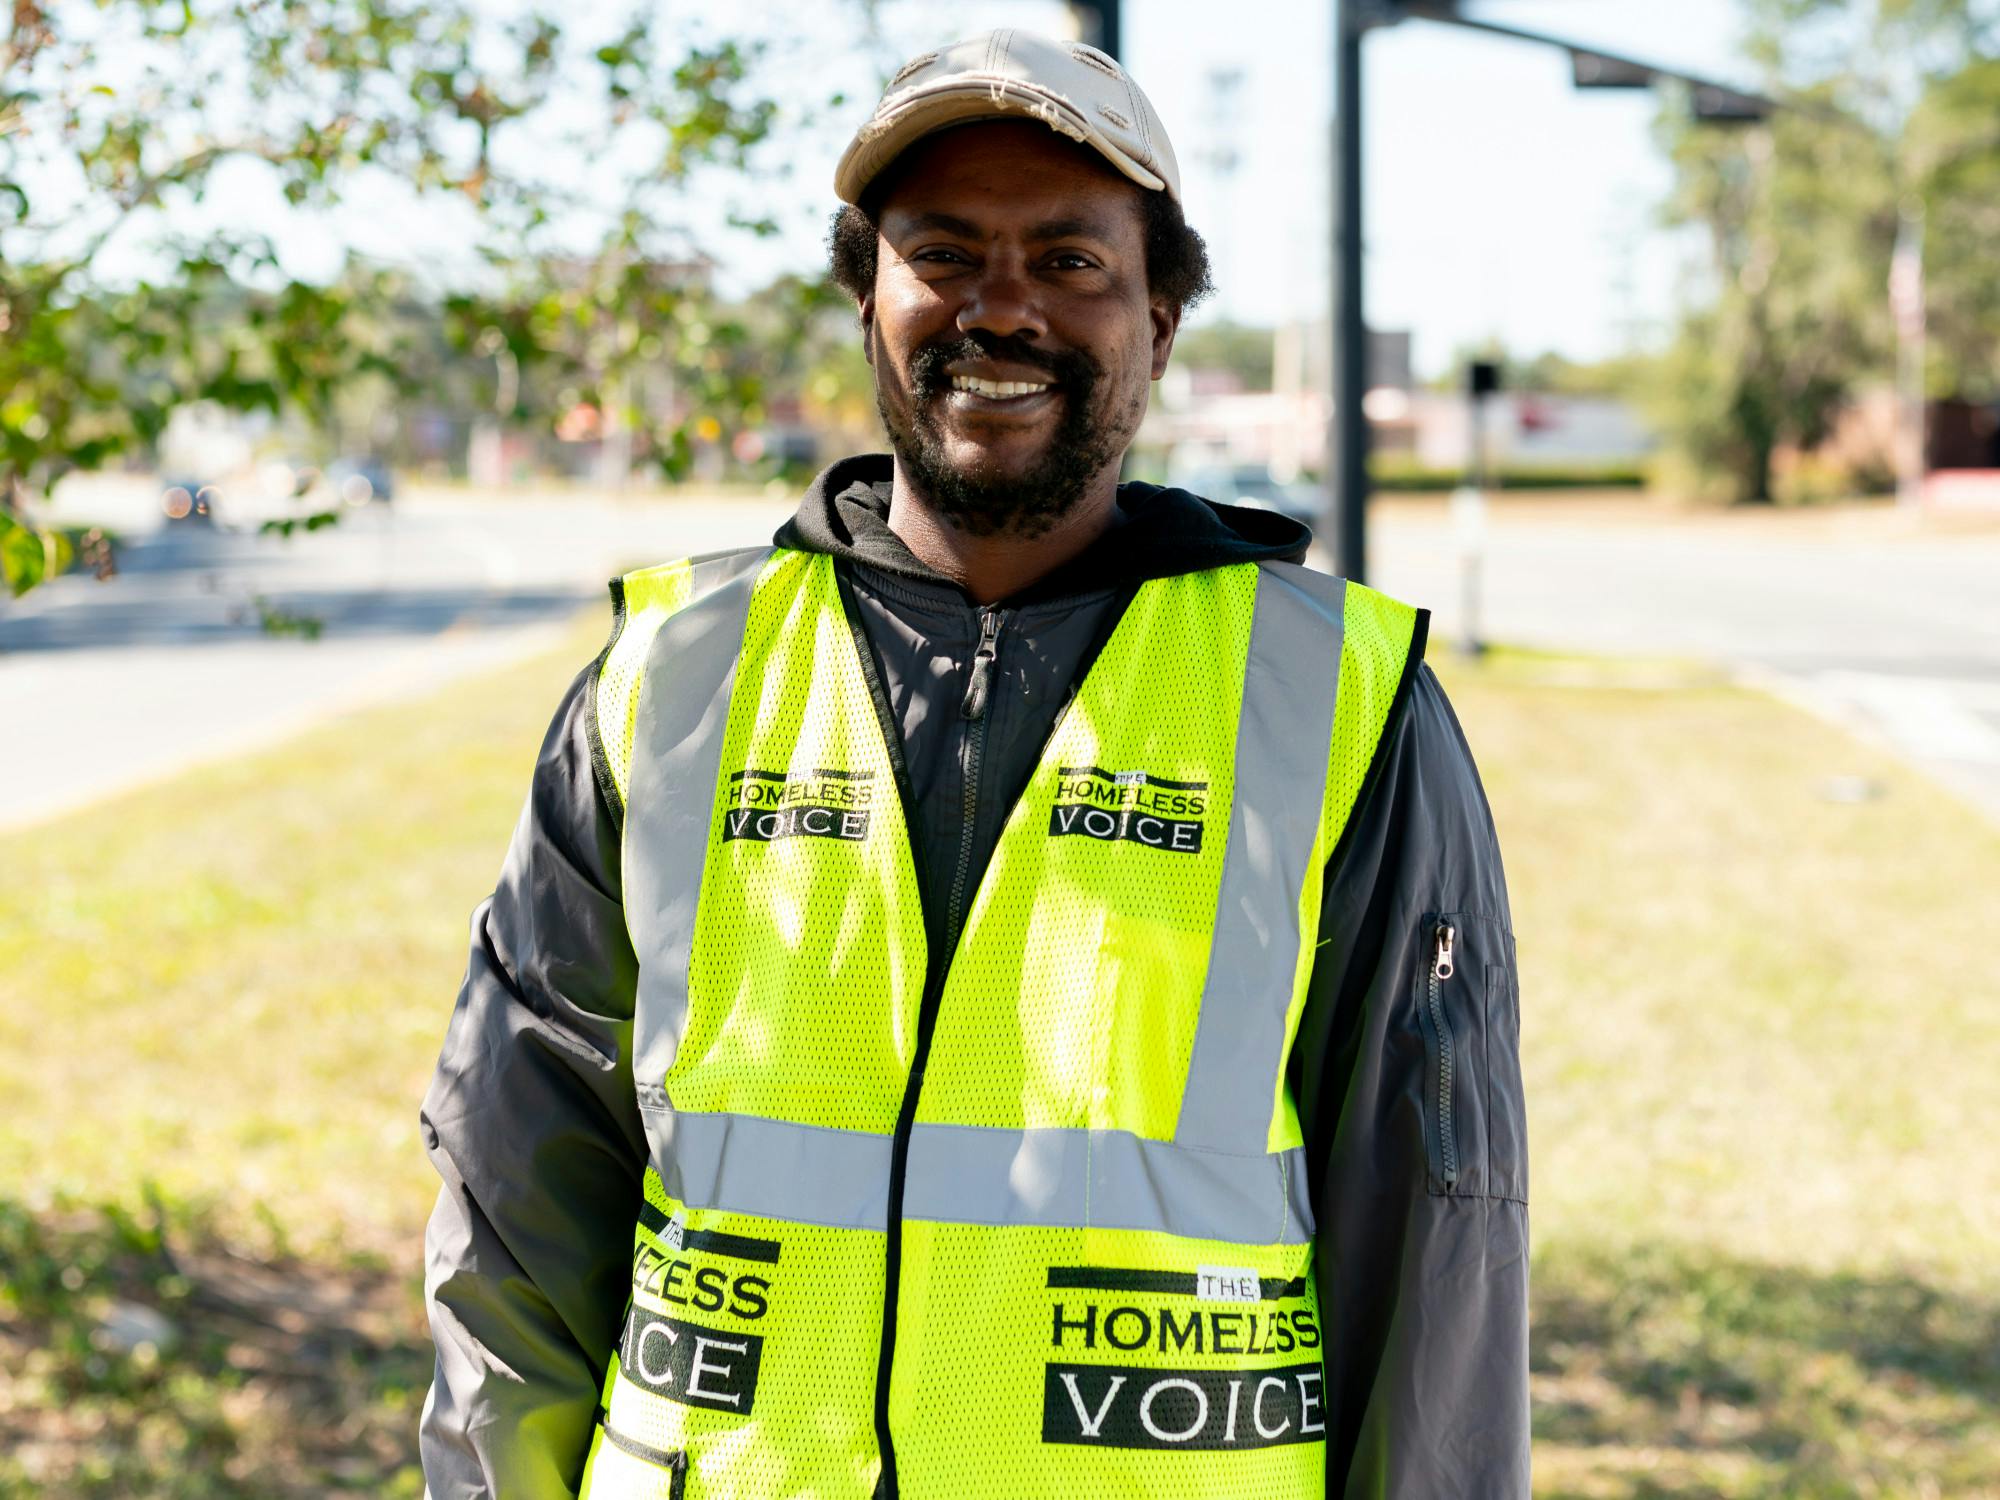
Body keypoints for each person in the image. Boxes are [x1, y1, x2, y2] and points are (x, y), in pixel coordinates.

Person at [419, 29, 1528, 1500]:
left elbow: (1438, 1247)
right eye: (942, 254)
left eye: (1069, 261)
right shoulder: (666, 682)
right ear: (866, 295)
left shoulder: (1335, 704)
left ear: (1163, 313)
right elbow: (516, 1206)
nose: (997, 311)